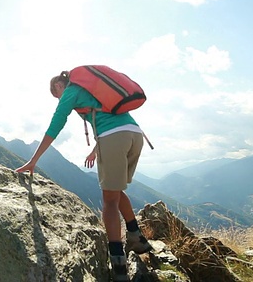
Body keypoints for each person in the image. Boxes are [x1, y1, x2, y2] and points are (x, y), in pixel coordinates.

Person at [15, 70, 152, 282]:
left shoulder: (71, 91)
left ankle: (119, 266)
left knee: (109, 201)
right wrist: (97, 148)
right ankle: (137, 238)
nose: (58, 98)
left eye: (56, 93)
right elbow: (109, 116)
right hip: (134, 135)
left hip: (114, 137)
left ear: (60, 85)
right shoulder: (92, 89)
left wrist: (34, 160)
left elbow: (56, 123)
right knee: (116, 191)